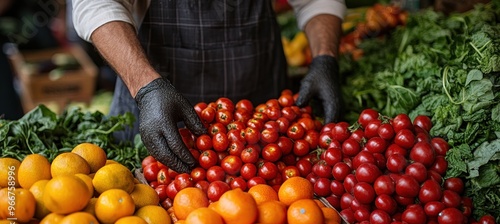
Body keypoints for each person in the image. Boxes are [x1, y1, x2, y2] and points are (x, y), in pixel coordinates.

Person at [72, 0, 346, 174]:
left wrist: (325, 57)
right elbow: (96, 3)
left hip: (263, 131)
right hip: (155, 108)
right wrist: (146, 87)